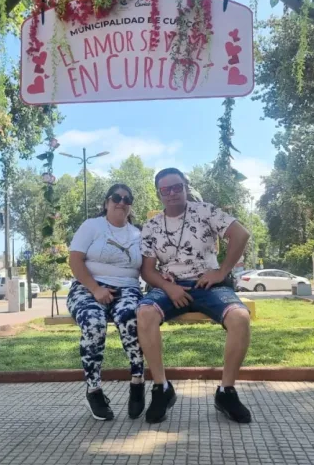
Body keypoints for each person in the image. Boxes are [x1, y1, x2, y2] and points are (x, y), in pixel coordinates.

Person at [136, 168, 253, 424]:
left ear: (186, 187)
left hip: (208, 284)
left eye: (177, 187)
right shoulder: (152, 226)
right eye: (165, 190)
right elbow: (147, 270)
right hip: (170, 286)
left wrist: (221, 271)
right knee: (144, 313)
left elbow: (241, 234)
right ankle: (161, 388)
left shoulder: (205, 211)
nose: (172, 194)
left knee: (240, 317)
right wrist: (169, 288)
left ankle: (226, 392)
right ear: (159, 194)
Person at [67, 184, 145, 421]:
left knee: (130, 316)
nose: (121, 202)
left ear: (131, 204)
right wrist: (95, 289)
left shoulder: (138, 234)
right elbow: (75, 260)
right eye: (116, 197)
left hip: (128, 289)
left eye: (127, 198)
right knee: (94, 322)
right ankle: (94, 389)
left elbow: (151, 266)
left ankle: (137, 382)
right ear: (106, 202)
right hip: (87, 288)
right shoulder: (92, 226)